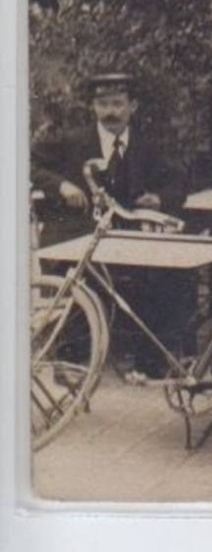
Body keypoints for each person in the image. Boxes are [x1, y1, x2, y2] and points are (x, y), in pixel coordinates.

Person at [31, 73, 190, 374]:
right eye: (102, 104)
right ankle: (73, 360)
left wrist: (158, 198)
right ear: (93, 107)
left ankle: (151, 362)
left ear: (133, 106)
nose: (111, 112)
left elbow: (178, 180)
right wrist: (62, 185)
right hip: (78, 234)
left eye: (118, 103)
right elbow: (30, 162)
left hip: (127, 237)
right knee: (73, 276)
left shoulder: (148, 145)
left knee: (171, 276)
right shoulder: (72, 141)